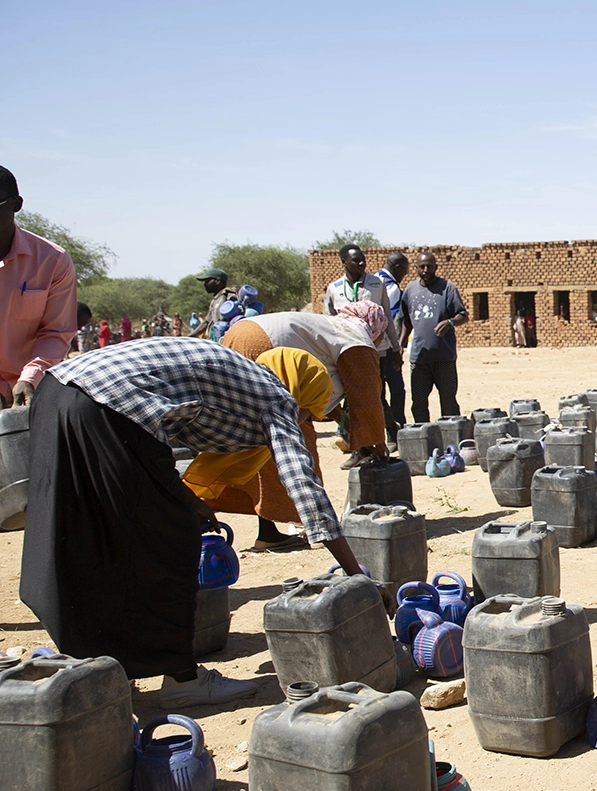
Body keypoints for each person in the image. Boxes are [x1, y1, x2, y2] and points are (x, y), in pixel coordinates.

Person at [22, 337, 377, 707]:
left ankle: (99, 666)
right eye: (308, 414)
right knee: (169, 541)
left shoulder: (241, 376)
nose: (302, 422)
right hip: (108, 408)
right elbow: (305, 488)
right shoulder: (277, 397)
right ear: (301, 392)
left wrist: (187, 498)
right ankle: (183, 680)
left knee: (88, 531)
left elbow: (161, 425)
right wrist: (357, 574)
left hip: (56, 393)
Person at [212, 301, 389, 550]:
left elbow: (332, 389)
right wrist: (377, 443)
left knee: (258, 439)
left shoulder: (332, 328)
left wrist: (348, 425)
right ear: (377, 326)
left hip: (237, 336)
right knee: (294, 440)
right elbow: (367, 397)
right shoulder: (357, 337)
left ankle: (268, 532)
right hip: (262, 346)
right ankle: (317, 527)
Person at [0, 167, 78, 408]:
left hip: (26, 395)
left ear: (16, 204)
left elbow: (56, 332)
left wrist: (31, 376)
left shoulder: (52, 261)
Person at [323, 244, 399, 463]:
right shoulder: (334, 288)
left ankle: (388, 433)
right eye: (356, 260)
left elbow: (386, 320)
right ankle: (359, 449)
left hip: (376, 349)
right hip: (346, 352)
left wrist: (395, 348)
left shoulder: (377, 284)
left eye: (363, 259)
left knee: (376, 395)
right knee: (350, 398)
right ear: (343, 262)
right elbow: (329, 322)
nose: (362, 263)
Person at [399, 251, 467, 423]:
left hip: (444, 358)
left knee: (448, 403)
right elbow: (405, 321)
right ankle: (425, 440)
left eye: (430, 266)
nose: (426, 269)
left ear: (436, 267)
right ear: (416, 268)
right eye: (422, 266)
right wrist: (399, 345)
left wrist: (450, 322)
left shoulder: (447, 288)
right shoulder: (410, 290)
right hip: (420, 359)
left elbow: (462, 315)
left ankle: (450, 440)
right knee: (419, 403)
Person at [376, 252, 410, 449]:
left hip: (367, 346)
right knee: (396, 389)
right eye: (405, 270)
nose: (405, 274)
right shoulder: (391, 287)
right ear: (397, 267)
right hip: (386, 347)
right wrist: (396, 347)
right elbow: (391, 320)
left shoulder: (370, 280)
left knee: (377, 390)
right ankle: (396, 430)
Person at [190, 269, 237, 338]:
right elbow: (206, 323)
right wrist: (190, 336)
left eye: (207, 281)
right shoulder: (215, 300)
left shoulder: (229, 296)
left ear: (217, 281)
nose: (205, 284)